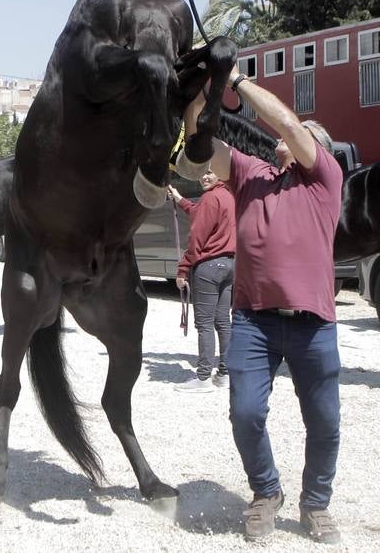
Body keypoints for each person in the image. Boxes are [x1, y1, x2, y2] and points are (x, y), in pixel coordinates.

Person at [180, 67, 343, 545]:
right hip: (253, 320)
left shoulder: (323, 179)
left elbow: (291, 126)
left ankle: (315, 504)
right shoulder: (253, 174)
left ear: (318, 150)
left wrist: (239, 81)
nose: (291, 133)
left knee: (325, 421)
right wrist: (197, 100)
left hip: (313, 324)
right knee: (246, 412)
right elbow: (200, 151)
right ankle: (266, 493)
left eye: (304, 134)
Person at [168, 170, 235, 392]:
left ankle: (204, 377)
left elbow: (197, 236)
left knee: (204, 324)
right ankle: (225, 374)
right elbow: (200, 213)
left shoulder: (210, 198)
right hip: (229, 264)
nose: (204, 177)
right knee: (223, 321)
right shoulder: (229, 195)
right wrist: (179, 199)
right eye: (202, 173)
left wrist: (183, 269)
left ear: (220, 174)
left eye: (209, 172)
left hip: (208, 266)